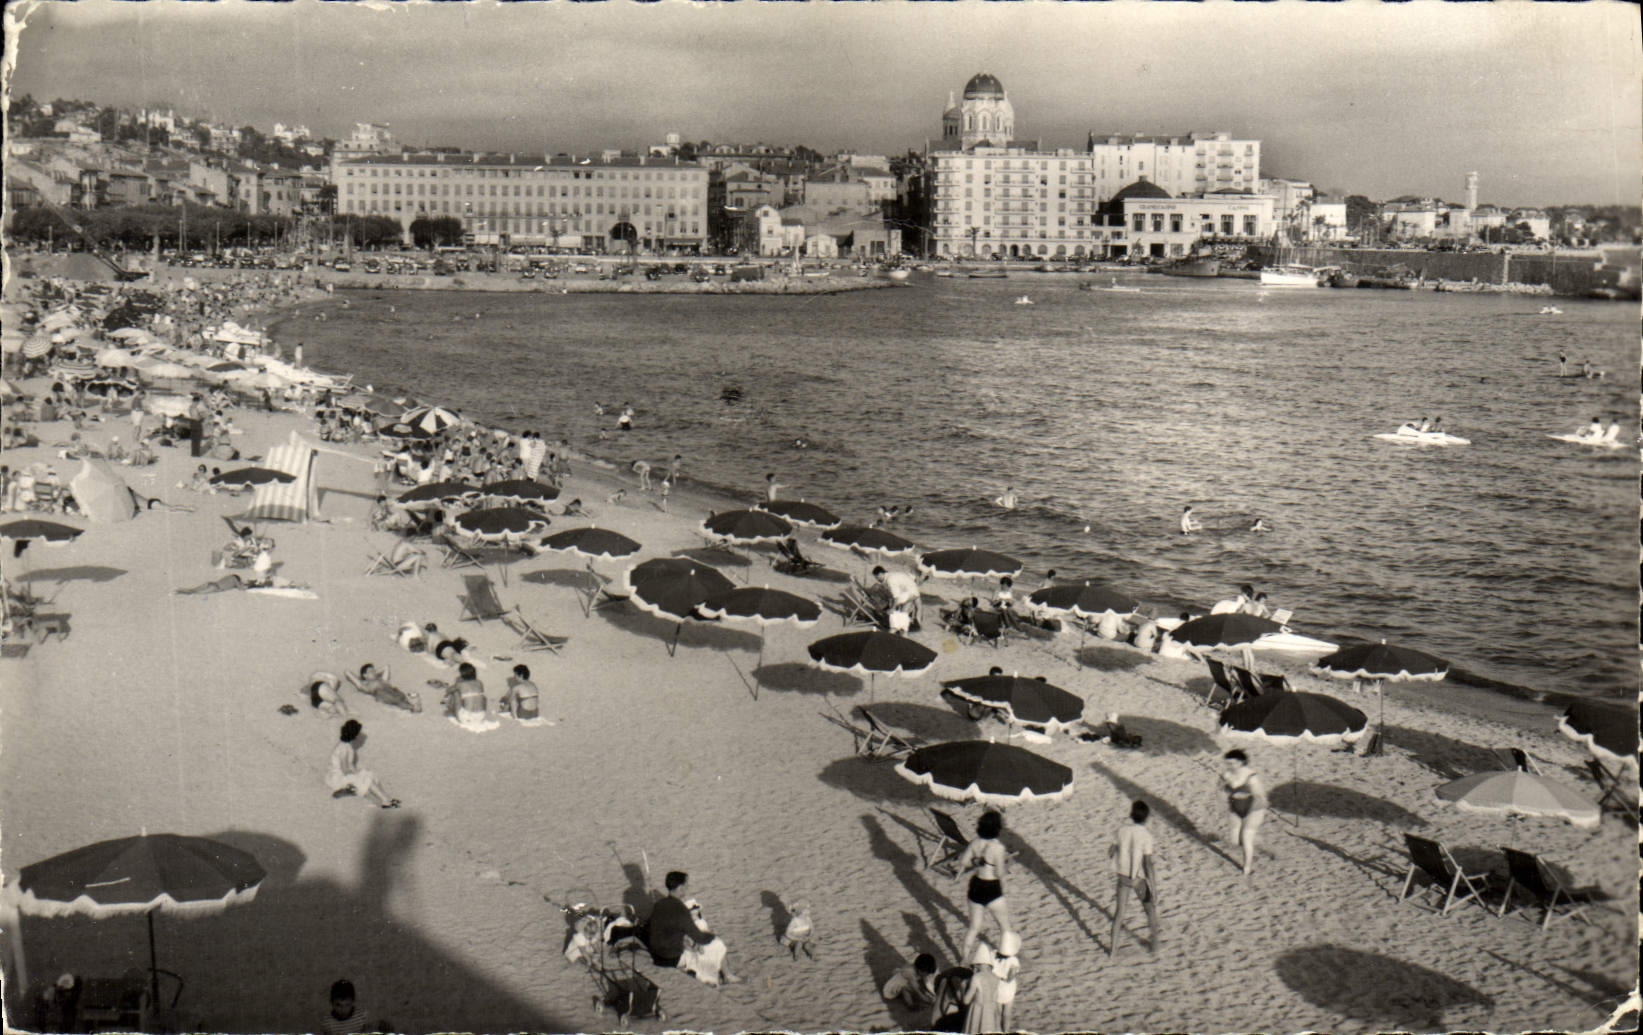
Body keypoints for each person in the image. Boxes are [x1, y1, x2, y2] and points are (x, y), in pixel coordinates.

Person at [954, 810, 1011, 962]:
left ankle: (964, 959)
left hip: (976, 886)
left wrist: (977, 862)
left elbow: (963, 862)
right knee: (1004, 927)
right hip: (992, 888)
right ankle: (1003, 957)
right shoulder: (998, 848)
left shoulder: (975, 843)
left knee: (974, 927)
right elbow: (999, 873)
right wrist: (1006, 866)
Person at [1109, 799, 1159, 956]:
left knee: (1119, 913)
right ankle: (1154, 947)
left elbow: (1111, 851)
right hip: (1136, 879)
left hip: (1122, 877)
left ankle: (1112, 951)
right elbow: (1147, 865)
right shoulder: (1147, 836)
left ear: (1132, 814)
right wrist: (1153, 887)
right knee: (1150, 910)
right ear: (1146, 817)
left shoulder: (1121, 830)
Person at [326, 720, 399, 808]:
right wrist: (357, 773)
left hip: (343, 774)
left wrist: (358, 772)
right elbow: (345, 768)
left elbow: (348, 766)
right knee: (364, 778)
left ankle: (386, 799)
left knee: (367, 775)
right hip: (338, 777)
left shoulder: (346, 745)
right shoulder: (343, 748)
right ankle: (383, 801)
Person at [1221, 749, 1268, 876]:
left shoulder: (1251, 775)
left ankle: (1247, 867)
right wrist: (1226, 788)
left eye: (1233, 763)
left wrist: (1244, 791)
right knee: (1235, 841)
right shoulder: (1226, 774)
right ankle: (1255, 841)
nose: (1230, 766)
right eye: (1228, 763)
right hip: (1235, 807)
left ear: (1241, 762)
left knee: (1246, 837)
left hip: (1253, 808)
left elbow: (1259, 794)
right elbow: (1222, 790)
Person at [960, 943, 1002, 1034]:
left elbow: (966, 1001)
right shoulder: (996, 978)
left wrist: (963, 987)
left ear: (977, 965)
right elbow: (996, 999)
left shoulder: (976, 977)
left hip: (977, 1012)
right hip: (991, 1013)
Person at [319, 978, 385, 1035]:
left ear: (353, 1002)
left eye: (347, 1005)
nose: (343, 1009)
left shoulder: (362, 1017)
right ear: (331, 1003)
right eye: (338, 1005)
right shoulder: (327, 1022)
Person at [351, 663, 421, 713]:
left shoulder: (382, 680)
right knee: (396, 700)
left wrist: (373, 674)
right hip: (381, 694)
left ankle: (412, 705)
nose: (374, 672)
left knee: (401, 696)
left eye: (374, 670)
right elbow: (347, 672)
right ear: (365, 675)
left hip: (392, 690)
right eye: (371, 671)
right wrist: (363, 678)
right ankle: (412, 707)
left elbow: (386, 667)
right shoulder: (365, 685)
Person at [873, 565, 922, 630]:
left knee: (897, 605)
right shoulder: (891, 575)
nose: (877, 579)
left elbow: (896, 597)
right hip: (913, 590)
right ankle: (915, 624)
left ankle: (900, 624)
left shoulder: (890, 580)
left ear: (881, 574)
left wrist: (892, 608)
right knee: (908, 607)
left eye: (877, 577)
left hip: (910, 592)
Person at [993, 931, 1021, 1032]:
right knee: (1006, 1014)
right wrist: (1005, 978)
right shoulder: (1013, 960)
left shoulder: (993, 956)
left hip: (996, 986)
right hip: (1008, 988)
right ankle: (1006, 1031)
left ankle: (997, 1031)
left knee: (997, 1013)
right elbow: (1010, 978)